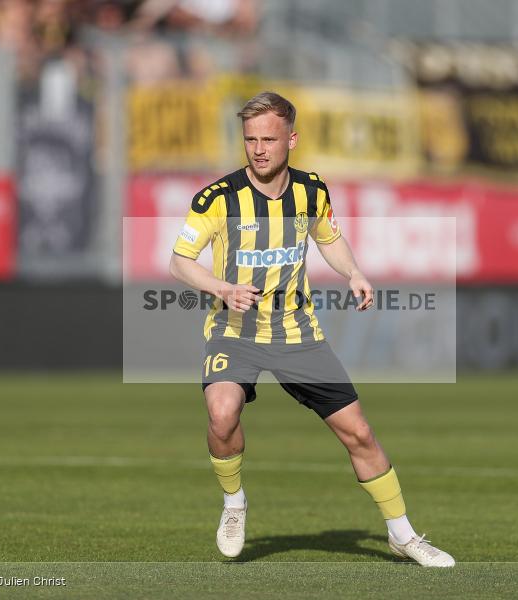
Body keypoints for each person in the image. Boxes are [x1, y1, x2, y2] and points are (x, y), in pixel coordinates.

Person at [168, 91, 455, 568]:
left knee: (359, 434)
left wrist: (354, 273)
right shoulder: (217, 199)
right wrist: (221, 287)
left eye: (269, 139)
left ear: (292, 140)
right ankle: (234, 502)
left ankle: (402, 535)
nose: (258, 149)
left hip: (297, 334)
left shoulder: (312, 192)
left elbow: (330, 239)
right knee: (222, 413)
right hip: (234, 330)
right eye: (250, 139)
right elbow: (179, 263)